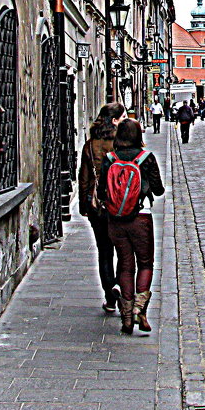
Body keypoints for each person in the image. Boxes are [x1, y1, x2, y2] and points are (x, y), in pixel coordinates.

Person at [97, 118, 164, 335]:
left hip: (115, 220)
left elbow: (100, 192)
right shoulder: (146, 158)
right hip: (141, 217)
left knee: (125, 265)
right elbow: (159, 189)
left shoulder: (109, 159)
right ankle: (138, 309)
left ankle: (126, 317)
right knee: (145, 263)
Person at [79, 103, 126, 314]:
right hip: (120, 204)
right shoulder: (121, 143)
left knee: (104, 251)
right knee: (123, 250)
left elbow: (84, 177)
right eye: (123, 117)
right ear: (115, 120)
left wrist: (84, 204)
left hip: (97, 204)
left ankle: (110, 296)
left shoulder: (90, 145)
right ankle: (119, 287)